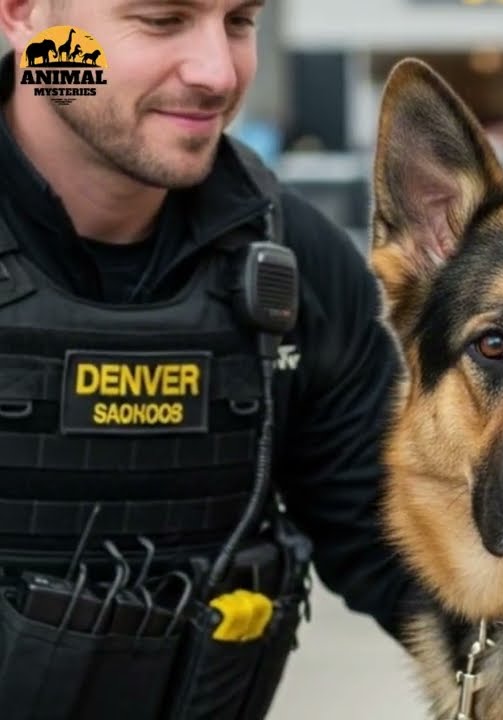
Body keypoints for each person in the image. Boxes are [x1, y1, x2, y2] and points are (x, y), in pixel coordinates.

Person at [0, 1, 416, 717]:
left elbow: (404, 560)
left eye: (240, 21)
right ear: (25, 15)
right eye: (162, 20)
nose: (217, 73)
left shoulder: (296, 265)